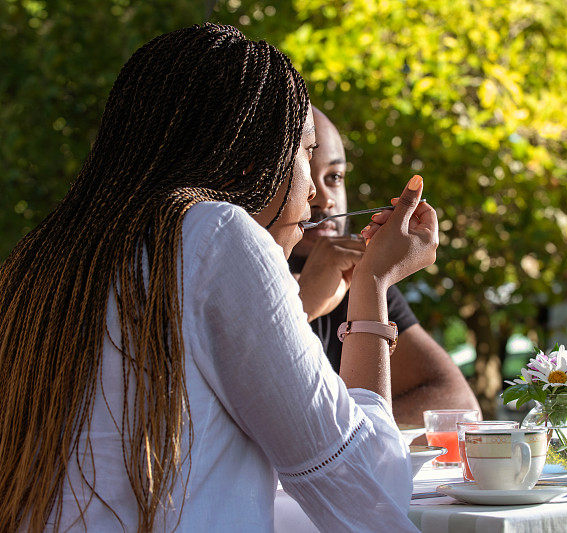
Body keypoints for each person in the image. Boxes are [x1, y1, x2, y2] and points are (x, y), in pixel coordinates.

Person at [0, 24, 435, 532]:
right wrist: (373, 284)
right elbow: (367, 485)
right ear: (254, 161)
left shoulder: (40, 257)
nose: (318, 199)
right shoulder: (217, 233)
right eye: (303, 153)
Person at [288, 107, 479, 425]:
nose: (323, 198)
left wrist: (371, 279)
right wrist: (303, 302)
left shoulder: (353, 272)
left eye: (334, 177)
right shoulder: (238, 273)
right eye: (305, 174)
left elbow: (459, 405)